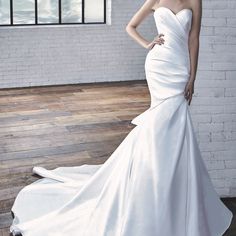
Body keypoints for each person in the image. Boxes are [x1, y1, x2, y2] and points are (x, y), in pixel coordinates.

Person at [10, 0, 233, 235]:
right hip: (159, 64)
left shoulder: (194, 1)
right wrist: (148, 44)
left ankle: (172, 183)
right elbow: (131, 26)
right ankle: (151, 177)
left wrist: (192, 78)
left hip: (180, 66)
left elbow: (194, 39)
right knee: (160, 120)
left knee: (176, 121)